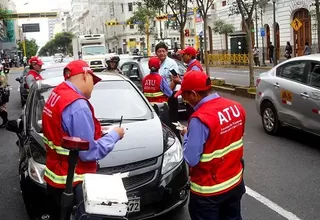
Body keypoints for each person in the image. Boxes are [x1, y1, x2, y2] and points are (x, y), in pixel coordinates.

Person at [42, 60, 125, 220]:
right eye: (93, 81)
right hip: (74, 182)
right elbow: (88, 153)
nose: (94, 86)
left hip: (56, 176)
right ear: (86, 75)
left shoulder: (57, 94)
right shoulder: (77, 105)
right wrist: (115, 135)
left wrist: (97, 132)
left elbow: (63, 133)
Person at [175, 70, 246, 220]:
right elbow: (228, 137)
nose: (183, 98)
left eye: (184, 95)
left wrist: (188, 135)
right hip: (235, 183)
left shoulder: (199, 119)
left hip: (209, 192)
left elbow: (191, 158)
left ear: (194, 94)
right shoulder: (236, 107)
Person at [155, 42, 181, 137]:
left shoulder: (171, 63)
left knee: (173, 121)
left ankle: (178, 139)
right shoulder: (156, 63)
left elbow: (174, 80)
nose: (161, 53)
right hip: (160, 97)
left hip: (171, 95)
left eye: (163, 51)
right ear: (156, 53)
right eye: (159, 51)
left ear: (166, 52)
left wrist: (167, 94)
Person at [142, 57, 172, 127]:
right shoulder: (161, 79)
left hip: (149, 109)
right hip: (161, 109)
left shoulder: (145, 79)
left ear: (149, 67)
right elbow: (169, 93)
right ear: (159, 66)